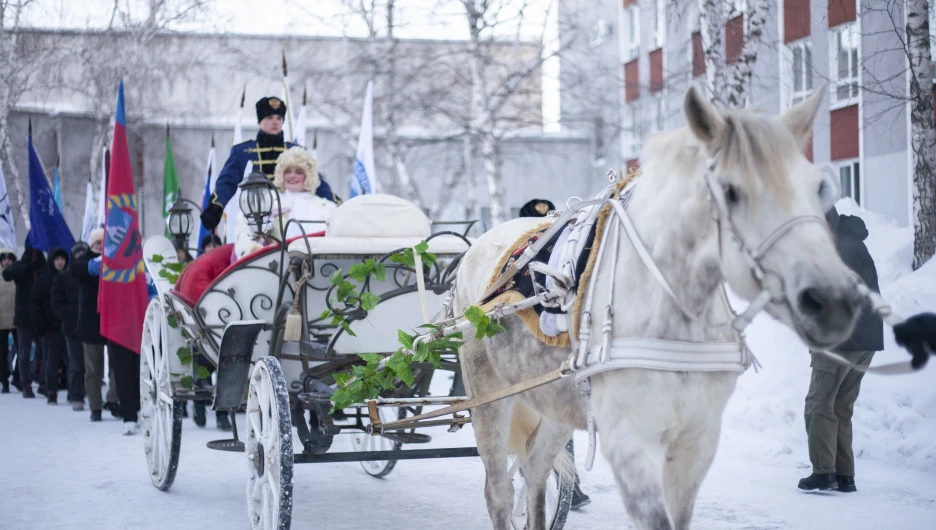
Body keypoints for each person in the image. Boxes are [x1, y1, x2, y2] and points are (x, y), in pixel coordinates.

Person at [799, 207, 883, 493]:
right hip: (866, 340)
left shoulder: (842, 248)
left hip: (841, 340)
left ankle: (824, 473)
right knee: (840, 407)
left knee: (819, 404)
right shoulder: (851, 242)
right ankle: (844, 475)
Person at [199, 96, 336, 232]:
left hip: (292, 215)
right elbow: (226, 183)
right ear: (260, 121)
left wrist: (337, 206)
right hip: (254, 218)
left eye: (279, 118)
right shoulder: (242, 152)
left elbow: (315, 181)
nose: (275, 122)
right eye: (269, 118)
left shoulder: (296, 151)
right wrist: (216, 207)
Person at [234, 147, 337, 258]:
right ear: (281, 174)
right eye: (287, 171)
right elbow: (243, 227)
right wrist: (254, 251)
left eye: (298, 172)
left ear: (308, 176)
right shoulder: (266, 200)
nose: (292, 175)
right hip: (273, 266)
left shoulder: (326, 207)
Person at [70, 229, 119, 421]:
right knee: (93, 370)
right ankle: (95, 407)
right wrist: (97, 265)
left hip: (114, 322)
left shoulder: (116, 262)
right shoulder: (83, 262)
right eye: (96, 242)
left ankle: (113, 399)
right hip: (91, 324)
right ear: (91, 245)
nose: (99, 245)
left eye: (102, 242)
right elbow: (75, 270)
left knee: (118, 366)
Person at [2, 245, 45, 398]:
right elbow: (7, 274)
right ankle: (25, 383)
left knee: (44, 352)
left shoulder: (43, 265)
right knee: (24, 353)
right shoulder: (21, 265)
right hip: (23, 316)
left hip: (41, 316)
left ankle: (42, 381)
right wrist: (29, 267)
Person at [31, 247, 69, 405]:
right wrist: (39, 324)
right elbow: (35, 304)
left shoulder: (69, 278)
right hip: (50, 328)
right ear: (52, 260)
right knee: (51, 361)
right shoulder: (43, 280)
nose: (60, 262)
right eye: (57, 259)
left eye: (62, 259)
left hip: (68, 327)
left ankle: (74, 392)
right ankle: (51, 391)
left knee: (71, 362)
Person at [52, 242, 88, 410]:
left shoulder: (92, 273)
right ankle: (76, 396)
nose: (80, 255)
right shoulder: (63, 277)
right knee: (76, 364)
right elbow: (56, 302)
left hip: (90, 325)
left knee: (92, 365)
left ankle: (92, 395)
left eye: (83, 252)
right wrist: (67, 316)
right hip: (71, 326)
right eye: (77, 252)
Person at [0, 249, 17, 393]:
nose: (6, 261)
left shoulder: (18, 273)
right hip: (1, 320)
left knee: (22, 351)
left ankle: (18, 378)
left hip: (17, 319)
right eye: (3, 259)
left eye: (9, 258)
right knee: (2, 353)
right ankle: (4, 381)